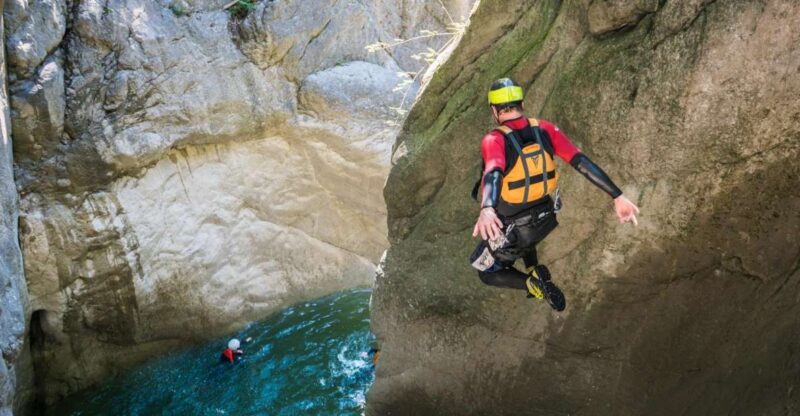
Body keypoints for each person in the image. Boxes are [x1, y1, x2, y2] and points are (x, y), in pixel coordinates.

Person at [469, 78, 640, 311]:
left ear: (494, 110)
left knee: (486, 271)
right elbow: (581, 162)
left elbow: (493, 173)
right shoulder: (545, 129)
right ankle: (533, 267)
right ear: (521, 103)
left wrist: (487, 208)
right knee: (524, 235)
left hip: (513, 229)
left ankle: (533, 284)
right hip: (544, 218)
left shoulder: (494, 139)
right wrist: (617, 196)